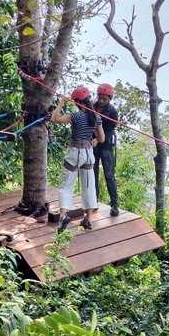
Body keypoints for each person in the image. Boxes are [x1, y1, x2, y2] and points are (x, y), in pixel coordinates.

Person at [50, 86, 104, 233]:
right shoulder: (96, 117)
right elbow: (102, 138)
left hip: (75, 153)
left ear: (78, 103)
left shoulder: (76, 116)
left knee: (66, 184)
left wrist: (61, 102)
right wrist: (94, 141)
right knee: (88, 185)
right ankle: (87, 220)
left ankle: (63, 217)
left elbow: (54, 118)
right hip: (88, 154)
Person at [92, 82, 120, 217]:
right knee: (93, 174)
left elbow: (109, 131)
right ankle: (94, 201)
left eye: (105, 99)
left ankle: (114, 204)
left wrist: (98, 139)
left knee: (109, 175)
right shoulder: (91, 107)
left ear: (110, 99)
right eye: (100, 97)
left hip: (106, 145)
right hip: (92, 144)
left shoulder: (113, 112)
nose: (102, 101)